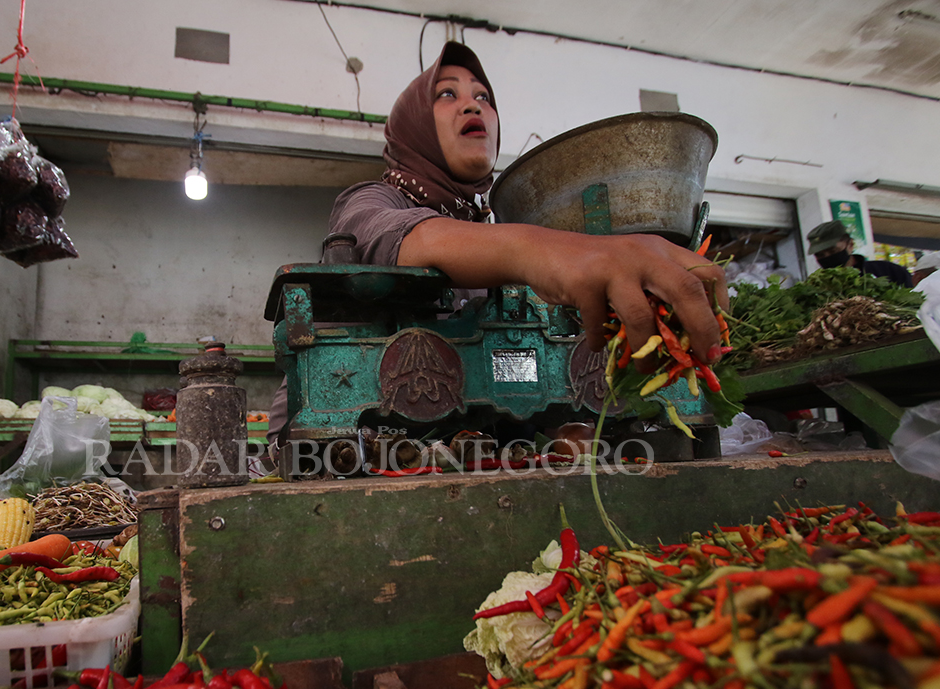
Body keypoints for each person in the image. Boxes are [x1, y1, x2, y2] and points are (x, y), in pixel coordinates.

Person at [267, 41, 727, 446]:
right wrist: (542, 252)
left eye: (483, 97)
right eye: (447, 94)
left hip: (457, 444)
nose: (473, 106)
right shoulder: (372, 198)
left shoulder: (491, 226)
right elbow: (395, 234)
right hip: (339, 439)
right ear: (414, 126)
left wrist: (561, 429)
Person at [805, 220, 912, 287]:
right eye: (820, 255)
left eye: (833, 251)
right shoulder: (816, 286)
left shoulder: (890, 271)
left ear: (850, 244)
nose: (827, 257)